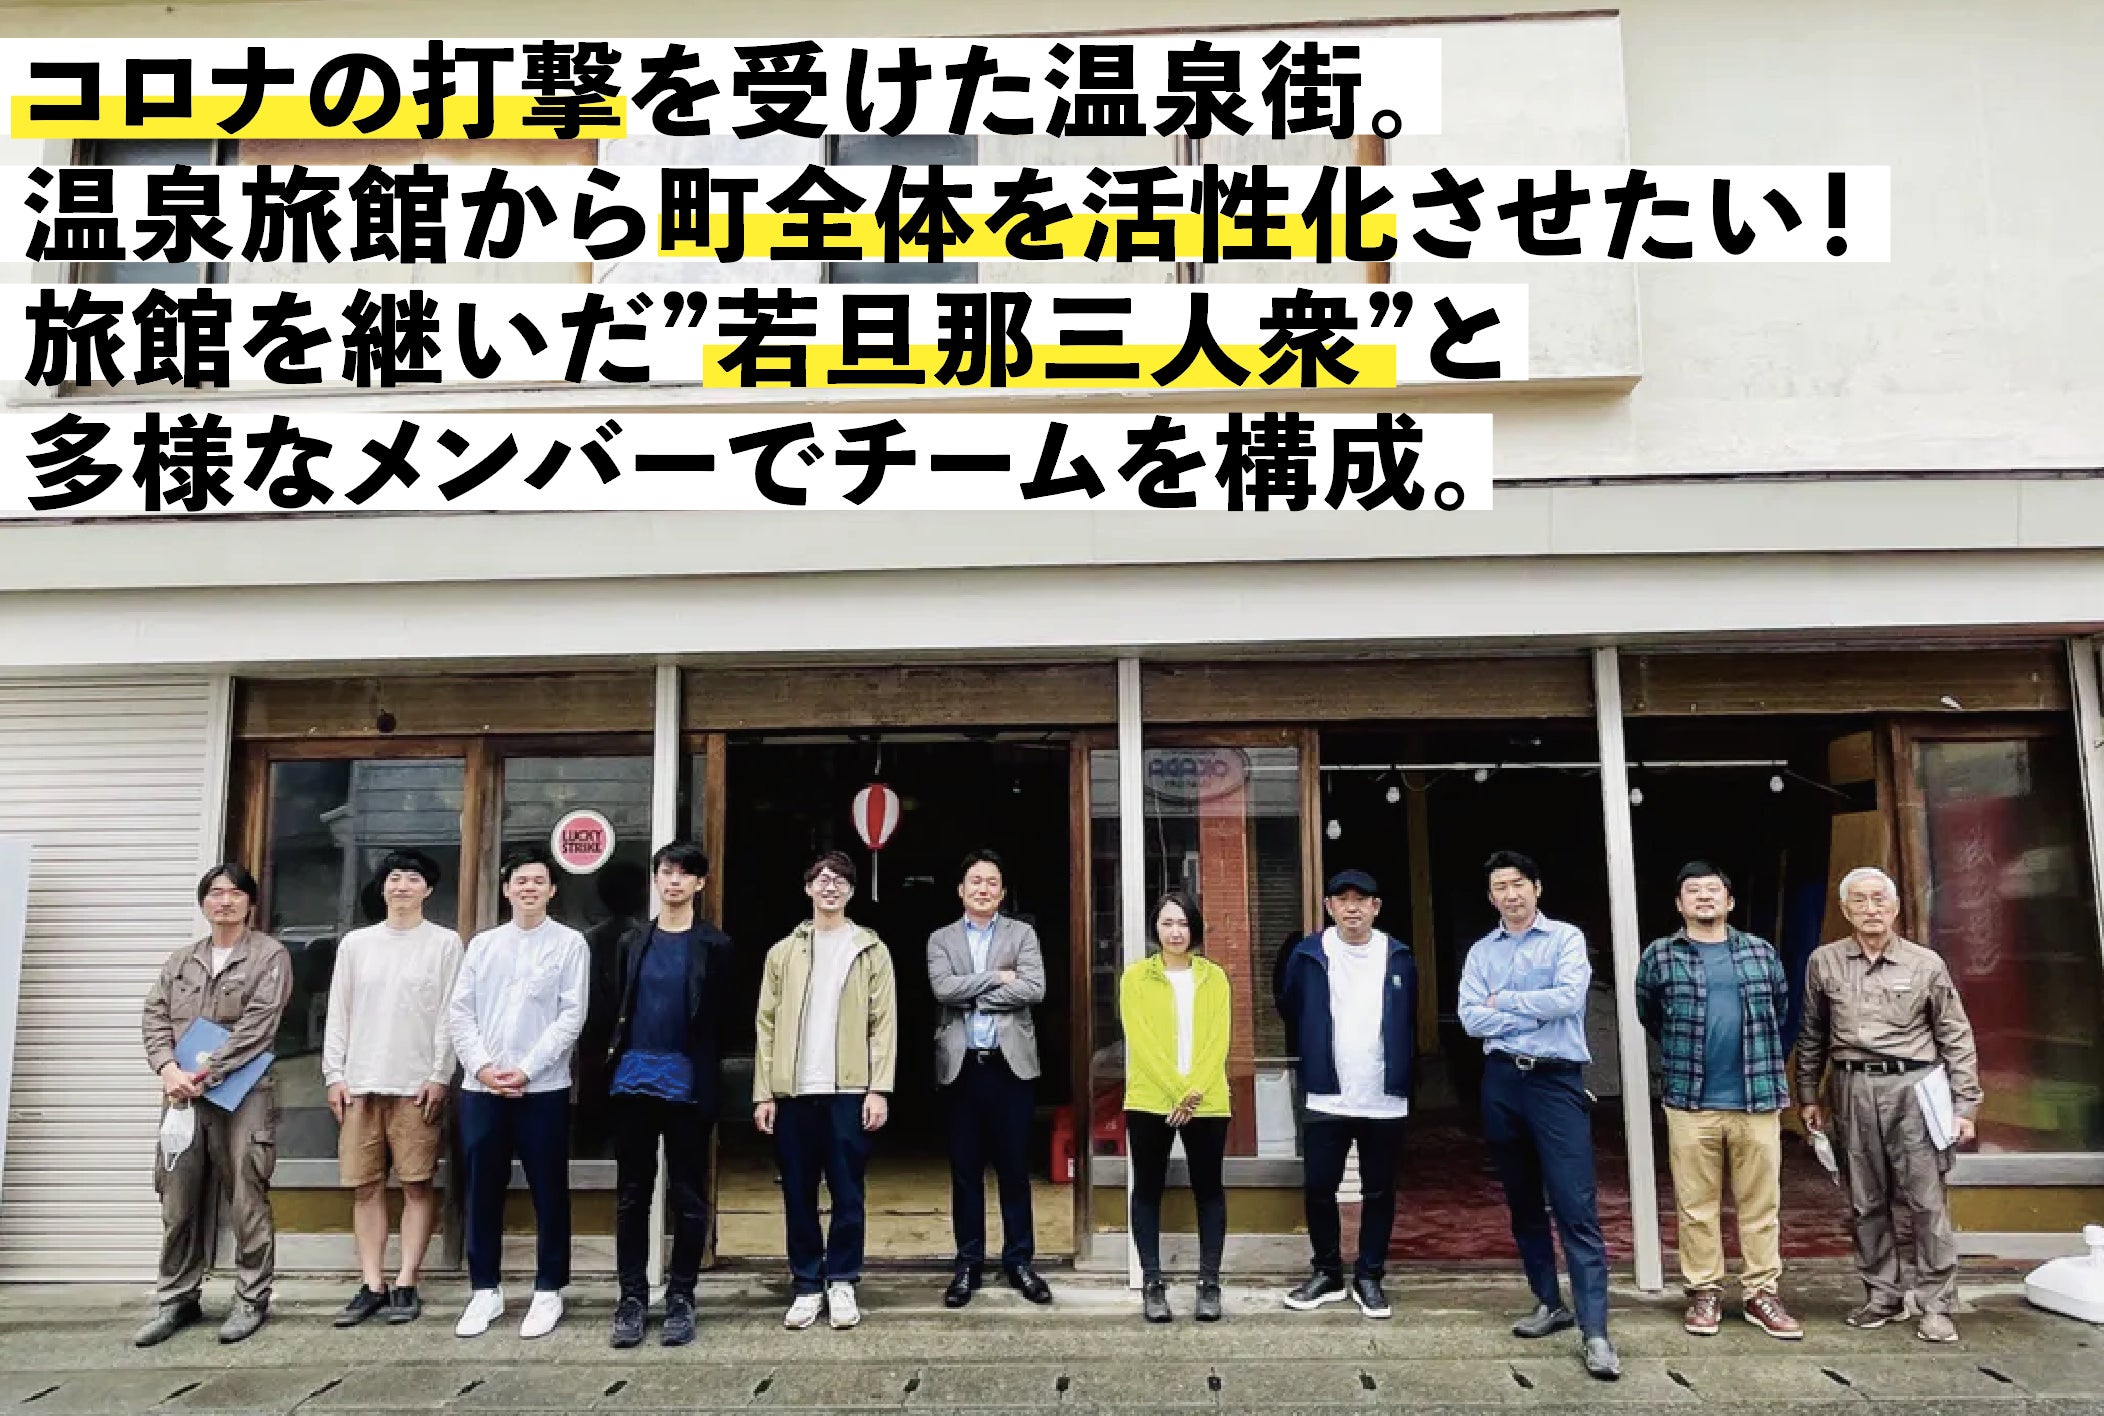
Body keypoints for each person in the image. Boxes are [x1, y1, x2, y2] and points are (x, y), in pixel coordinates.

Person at [1795, 866, 1981, 1343]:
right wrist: (1808, 1093)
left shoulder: (1925, 963)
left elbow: (1955, 1035)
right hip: (1852, 1087)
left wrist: (1965, 1104)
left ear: (1895, 907)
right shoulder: (1824, 962)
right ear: (1845, 910)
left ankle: (1937, 1303)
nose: (1871, 909)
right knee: (1865, 1200)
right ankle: (1883, 1295)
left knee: (1926, 1200)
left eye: (1879, 899)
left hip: (1914, 1088)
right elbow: (1812, 1032)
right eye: (1859, 901)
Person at [1460, 850, 1620, 1381]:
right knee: (1523, 1200)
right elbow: (1469, 1018)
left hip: (1555, 1081)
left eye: (1518, 884)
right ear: (1491, 897)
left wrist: (1503, 1002)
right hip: (1502, 1082)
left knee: (1575, 1205)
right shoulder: (1482, 951)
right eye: (1500, 887)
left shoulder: (1565, 939)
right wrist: (1528, 1009)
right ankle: (1549, 1302)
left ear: (1537, 888)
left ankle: (1596, 1332)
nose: (1510, 894)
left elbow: (1568, 1000)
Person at [1635, 861, 1802, 1340]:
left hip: (1757, 1097)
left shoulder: (1760, 951)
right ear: (1679, 904)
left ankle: (1761, 1293)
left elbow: (1781, 1011)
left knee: (1761, 1205)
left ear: (1729, 901)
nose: (1704, 897)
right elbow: (1650, 1013)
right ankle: (1704, 1291)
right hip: (1691, 1101)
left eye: (1713, 890)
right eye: (1693, 891)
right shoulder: (1661, 955)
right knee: (1696, 1206)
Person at [134, 864, 292, 1348]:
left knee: (246, 1193)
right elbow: (155, 1017)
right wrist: (168, 1069)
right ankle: (177, 1297)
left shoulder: (269, 955)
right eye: (216, 893)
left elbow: (259, 1025)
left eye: (235, 893)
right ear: (203, 903)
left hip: (243, 1092)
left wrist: (208, 1072)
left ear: (250, 903)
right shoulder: (181, 961)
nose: (225, 901)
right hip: (182, 1093)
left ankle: (251, 1297)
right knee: (177, 1197)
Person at [445, 845, 589, 1341]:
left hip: (543, 1088)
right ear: (506, 890)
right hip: (481, 1088)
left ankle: (549, 1290)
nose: (529, 888)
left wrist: (526, 1069)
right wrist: (482, 1067)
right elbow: (460, 1011)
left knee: (550, 1189)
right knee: (482, 1188)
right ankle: (485, 1289)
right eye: (520, 881)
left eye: (538, 881)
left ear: (552, 890)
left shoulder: (570, 944)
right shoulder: (483, 945)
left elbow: (571, 1016)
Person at [753, 851, 898, 1331]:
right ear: (808, 888)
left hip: (850, 1090)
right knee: (797, 1191)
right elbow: (766, 1025)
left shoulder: (870, 949)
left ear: (852, 891)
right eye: (821, 879)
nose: (830, 886)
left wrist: (879, 1089)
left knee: (847, 1191)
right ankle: (806, 1284)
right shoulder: (783, 952)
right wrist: (764, 1092)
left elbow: (883, 1025)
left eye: (839, 880)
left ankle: (842, 1280)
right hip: (793, 1090)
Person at [322, 849, 464, 1328]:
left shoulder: (445, 943)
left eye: (412, 879)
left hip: (416, 1085)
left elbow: (449, 1015)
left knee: (417, 1184)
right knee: (365, 1187)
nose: (402, 886)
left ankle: (407, 1280)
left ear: (429, 889)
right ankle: (371, 1283)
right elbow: (338, 1012)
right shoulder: (356, 945)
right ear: (382, 888)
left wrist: (440, 1074)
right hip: (360, 1082)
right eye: (394, 878)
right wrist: (334, 1074)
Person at [606, 841, 735, 1350]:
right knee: (632, 1194)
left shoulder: (715, 945)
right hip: (633, 1077)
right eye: (666, 871)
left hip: (688, 1081)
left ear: (700, 883)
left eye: (685, 873)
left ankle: (682, 1296)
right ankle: (632, 1298)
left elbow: (724, 1020)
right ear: (656, 879)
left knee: (688, 1195)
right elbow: (615, 1005)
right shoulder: (632, 940)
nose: (674, 881)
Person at [1274, 870, 1417, 1321]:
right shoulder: (1308, 954)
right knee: (1319, 1187)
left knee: (1379, 1190)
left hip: (1383, 1096)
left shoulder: (1399, 956)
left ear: (1376, 907)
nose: (1351, 907)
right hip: (1326, 1093)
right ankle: (1327, 1272)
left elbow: (1410, 1015)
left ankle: (1370, 1276)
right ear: (1329, 907)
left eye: (1361, 899)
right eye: (1342, 899)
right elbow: (1288, 1005)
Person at [928, 848, 1051, 1308]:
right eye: (975, 881)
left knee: (1015, 1170)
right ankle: (968, 1264)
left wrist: (974, 994)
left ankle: (1019, 1262)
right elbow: (943, 989)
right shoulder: (941, 939)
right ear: (961, 890)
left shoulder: (1022, 934)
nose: (983, 889)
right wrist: (998, 978)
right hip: (962, 1069)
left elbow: (1034, 988)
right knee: (965, 1172)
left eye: (991, 882)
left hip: (1009, 1067)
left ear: (1002, 892)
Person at [1120, 890, 1232, 1324]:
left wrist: (1194, 1092)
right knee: (1148, 1189)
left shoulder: (1214, 978)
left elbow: (1218, 1040)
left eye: (1183, 923)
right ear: (1155, 928)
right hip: (1151, 1100)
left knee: (1209, 1190)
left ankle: (1209, 1283)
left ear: (1195, 929)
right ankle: (1153, 1283)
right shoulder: (1135, 978)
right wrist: (1177, 1092)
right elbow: (1141, 1041)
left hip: (1207, 1101)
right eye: (1167, 923)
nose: (1175, 931)